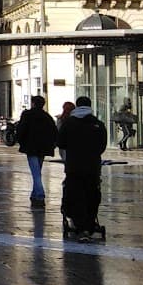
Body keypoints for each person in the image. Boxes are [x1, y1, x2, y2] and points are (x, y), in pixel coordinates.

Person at [56, 95, 108, 241]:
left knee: (75, 194)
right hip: (92, 167)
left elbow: (60, 142)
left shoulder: (69, 123)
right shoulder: (97, 123)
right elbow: (102, 146)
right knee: (92, 195)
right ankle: (89, 225)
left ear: (77, 106)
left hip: (74, 166)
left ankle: (79, 225)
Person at [15, 95, 59, 207]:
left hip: (31, 147)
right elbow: (54, 132)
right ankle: (34, 193)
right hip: (43, 148)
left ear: (33, 103)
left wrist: (19, 140)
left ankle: (39, 195)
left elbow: (21, 129)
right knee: (37, 171)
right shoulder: (47, 117)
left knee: (36, 173)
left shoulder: (27, 115)